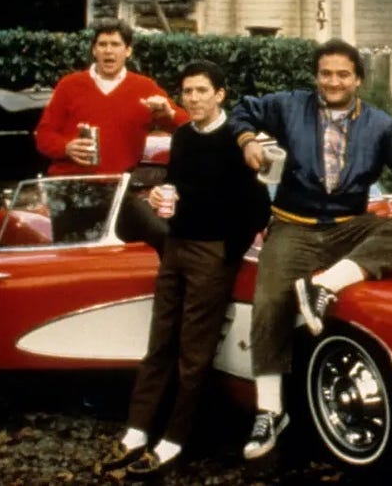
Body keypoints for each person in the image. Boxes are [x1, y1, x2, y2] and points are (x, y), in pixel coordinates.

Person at [230, 38, 392, 460]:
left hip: (348, 226)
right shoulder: (290, 105)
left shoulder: (378, 124)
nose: (334, 81)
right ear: (316, 77)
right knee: (269, 299)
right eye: (326, 73)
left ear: (358, 79)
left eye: (343, 74)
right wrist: (248, 140)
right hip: (294, 225)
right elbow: (242, 109)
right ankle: (270, 411)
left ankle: (325, 284)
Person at [105, 61, 271, 479]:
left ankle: (175, 438)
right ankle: (138, 429)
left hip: (213, 254)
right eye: (187, 91)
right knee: (160, 342)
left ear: (220, 95)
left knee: (194, 353)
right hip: (176, 247)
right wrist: (165, 198)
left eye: (201, 90)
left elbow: (257, 209)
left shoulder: (237, 139)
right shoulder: (180, 137)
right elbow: (178, 188)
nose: (193, 98)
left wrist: (226, 254)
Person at [34, 18, 182, 177]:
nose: (108, 50)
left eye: (115, 44)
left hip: (118, 185)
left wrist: (170, 115)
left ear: (128, 51)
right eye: (102, 44)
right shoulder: (69, 85)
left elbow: (189, 128)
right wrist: (65, 147)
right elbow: (43, 135)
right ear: (94, 50)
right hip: (70, 181)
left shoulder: (145, 88)